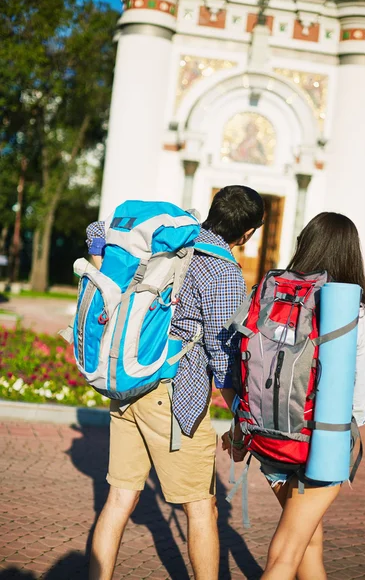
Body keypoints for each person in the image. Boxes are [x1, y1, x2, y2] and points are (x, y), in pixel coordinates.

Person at [85, 186, 265, 580]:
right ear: (248, 233)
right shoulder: (223, 272)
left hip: (130, 379)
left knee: (119, 498)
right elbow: (223, 359)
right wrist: (241, 416)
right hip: (173, 398)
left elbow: (98, 227)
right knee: (201, 506)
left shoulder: (169, 235)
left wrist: (99, 253)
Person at [224, 212, 365, 580]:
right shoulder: (355, 314)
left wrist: (240, 422)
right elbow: (359, 405)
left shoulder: (271, 297)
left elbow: (239, 369)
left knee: (309, 544)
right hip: (320, 445)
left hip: (270, 442)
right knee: (285, 555)